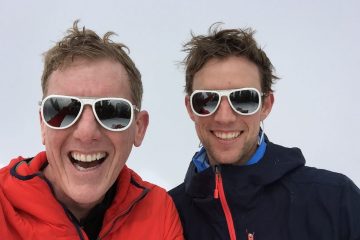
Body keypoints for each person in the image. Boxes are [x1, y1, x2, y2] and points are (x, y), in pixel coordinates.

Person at [169, 24, 360, 240]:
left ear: (266, 105)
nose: (224, 117)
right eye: (206, 100)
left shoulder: (336, 200)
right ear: (189, 108)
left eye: (243, 99)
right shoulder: (167, 215)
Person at [0, 21, 183, 240]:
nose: (86, 133)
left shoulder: (158, 211)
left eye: (111, 112)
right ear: (43, 124)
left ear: (139, 128)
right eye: (64, 109)